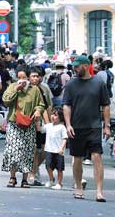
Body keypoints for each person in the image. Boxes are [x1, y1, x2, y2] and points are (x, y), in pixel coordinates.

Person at [61, 54, 110, 201]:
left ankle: (99, 191)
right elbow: (66, 106)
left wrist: (107, 126)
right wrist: (68, 124)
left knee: (97, 157)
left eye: (77, 66)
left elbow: (105, 105)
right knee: (77, 158)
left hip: (94, 126)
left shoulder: (99, 82)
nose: (75, 69)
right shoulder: (71, 84)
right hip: (76, 127)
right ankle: (79, 187)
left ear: (85, 66)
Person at [1, 69, 46, 188]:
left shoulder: (35, 90)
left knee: (28, 151)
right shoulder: (12, 87)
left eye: (24, 77)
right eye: (19, 77)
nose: (21, 80)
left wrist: (37, 111)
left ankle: (25, 179)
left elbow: (41, 104)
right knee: (13, 150)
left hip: (29, 124)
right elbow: (5, 100)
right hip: (14, 122)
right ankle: (12, 177)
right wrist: (16, 90)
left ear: (28, 78)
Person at [41, 109, 67, 189]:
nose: (53, 116)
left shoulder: (62, 127)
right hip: (49, 149)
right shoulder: (48, 126)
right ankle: (51, 179)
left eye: (56, 115)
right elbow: (40, 129)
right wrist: (38, 120)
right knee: (48, 166)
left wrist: (61, 148)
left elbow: (64, 138)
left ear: (60, 118)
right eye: (52, 114)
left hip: (59, 151)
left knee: (59, 169)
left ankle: (59, 183)